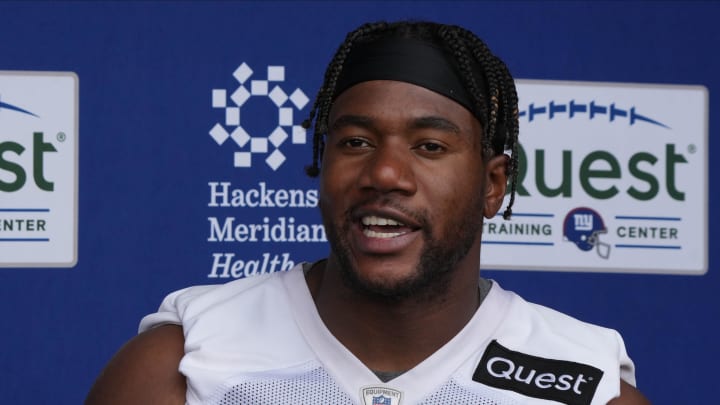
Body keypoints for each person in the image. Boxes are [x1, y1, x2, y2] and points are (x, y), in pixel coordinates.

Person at [86, 21, 650, 405]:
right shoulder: (181, 367)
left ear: (494, 184)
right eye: (355, 142)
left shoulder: (583, 384)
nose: (384, 174)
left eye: (429, 146)